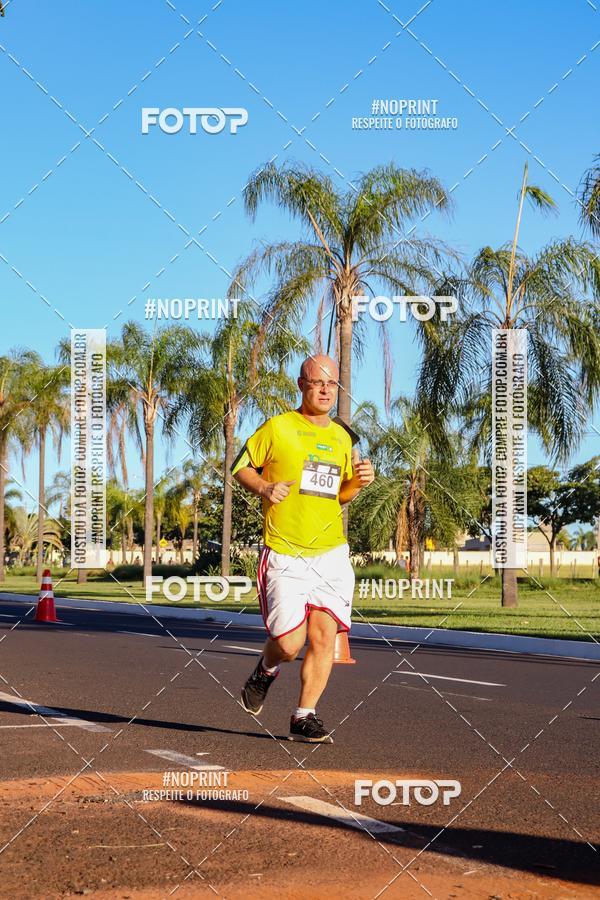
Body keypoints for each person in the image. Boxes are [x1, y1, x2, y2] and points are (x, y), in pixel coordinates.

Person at [232, 354, 374, 743]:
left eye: (332, 383)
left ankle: (303, 715)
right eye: (317, 382)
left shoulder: (342, 437)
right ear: (301, 385)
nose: (326, 390)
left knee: (325, 637)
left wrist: (359, 481)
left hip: (331, 553)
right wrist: (264, 487)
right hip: (285, 551)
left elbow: (338, 495)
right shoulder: (278, 427)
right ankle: (265, 670)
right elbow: (240, 466)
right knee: (289, 644)